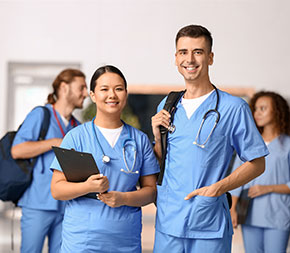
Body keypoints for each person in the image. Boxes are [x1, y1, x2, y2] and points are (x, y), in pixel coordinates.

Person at [151, 24, 269, 253]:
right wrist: (158, 137)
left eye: (198, 52)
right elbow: (164, 162)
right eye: (183, 52)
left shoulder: (233, 108)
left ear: (210, 57)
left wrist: (218, 188)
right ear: (176, 58)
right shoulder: (167, 105)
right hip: (169, 221)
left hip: (208, 222)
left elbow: (257, 163)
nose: (190, 59)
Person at [50, 65, 159, 253]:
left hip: (124, 240)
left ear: (126, 94)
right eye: (104, 89)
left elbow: (151, 192)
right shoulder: (76, 137)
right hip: (81, 240)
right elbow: (57, 190)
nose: (112, 95)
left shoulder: (139, 140)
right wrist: (88, 187)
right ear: (92, 95)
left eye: (118, 89)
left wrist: (123, 198)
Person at [11, 68, 88, 253]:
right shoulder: (41, 115)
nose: (86, 93)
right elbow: (17, 150)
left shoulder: (77, 127)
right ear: (64, 88)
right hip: (38, 204)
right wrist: (55, 143)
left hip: (66, 206)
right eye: (82, 88)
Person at [230, 91, 290, 253]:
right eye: (255, 109)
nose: (257, 113)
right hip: (249, 214)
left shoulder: (288, 145)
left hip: (278, 214)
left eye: (262, 108)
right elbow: (236, 177)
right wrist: (233, 208)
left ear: (277, 111)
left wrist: (268, 188)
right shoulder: (249, 143)